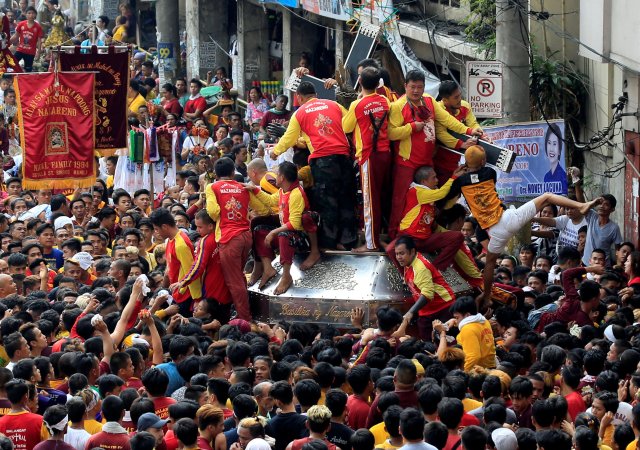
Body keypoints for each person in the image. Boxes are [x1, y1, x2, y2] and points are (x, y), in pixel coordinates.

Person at [442, 145, 596, 305]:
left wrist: (458, 174)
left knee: (489, 263)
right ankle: (581, 206)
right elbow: (483, 168)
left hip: (495, 233)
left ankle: (486, 296)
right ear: (483, 161)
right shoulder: (490, 173)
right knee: (547, 197)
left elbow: (453, 190)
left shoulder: (460, 181)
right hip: (508, 218)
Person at [388, 70, 483, 239]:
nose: (416, 91)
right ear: (405, 86)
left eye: (420, 87)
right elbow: (391, 133)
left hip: (427, 161)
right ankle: (396, 235)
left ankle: (426, 231)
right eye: (412, 87)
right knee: (400, 200)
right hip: (407, 162)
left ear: (424, 87)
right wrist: (411, 128)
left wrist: (469, 130)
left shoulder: (429, 101)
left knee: (432, 201)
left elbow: (447, 120)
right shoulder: (397, 106)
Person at [269, 81, 356, 251]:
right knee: (346, 198)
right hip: (344, 157)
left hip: (323, 161)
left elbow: (288, 138)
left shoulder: (300, 113)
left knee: (327, 201)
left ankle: (329, 244)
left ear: (298, 97)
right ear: (316, 95)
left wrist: (275, 152)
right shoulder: (334, 105)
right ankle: (348, 241)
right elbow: (349, 125)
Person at [342, 66, 394, 252]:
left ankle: (371, 244)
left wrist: (356, 101)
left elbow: (346, 126)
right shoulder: (384, 100)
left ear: (360, 82)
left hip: (368, 156)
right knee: (381, 197)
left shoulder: (358, 105)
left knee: (370, 202)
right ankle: (380, 236)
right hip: (385, 153)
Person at [206, 157, 264, 321]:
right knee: (238, 276)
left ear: (216, 174)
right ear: (233, 172)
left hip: (229, 238)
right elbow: (261, 207)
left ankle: (244, 318)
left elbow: (213, 212)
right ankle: (242, 311)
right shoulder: (243, 186)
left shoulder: (213, 187)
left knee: (234, 281)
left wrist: (223, 213)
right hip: (246, 236)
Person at [250, 161, 320, 294]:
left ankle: (286, 275)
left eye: (277, 174)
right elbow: (271, 200)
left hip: (300, 238)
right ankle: (267, 268)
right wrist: (253, 189)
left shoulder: (296, 193)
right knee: (259, 231)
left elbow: (294, 224)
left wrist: (274, 232)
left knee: (283, 235)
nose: (274, 176)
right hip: (286, 233)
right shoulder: (283, 190)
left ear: (282, 178)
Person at [394, 235, 455, 340]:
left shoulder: (420, 267)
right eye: (397, 254)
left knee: (444, 341)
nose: (399, 257)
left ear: (412, 251)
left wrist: (411, 312)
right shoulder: (408, 263)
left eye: (402, 253)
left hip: (442, 307)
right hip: (426, 310)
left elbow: (427, 294)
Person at [150, 208, 202, 316]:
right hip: (176, 292)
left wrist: (197, 299)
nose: (156, 232)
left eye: (156, 229)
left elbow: (191, 272)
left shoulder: (181, 245)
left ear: (164, 227)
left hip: (185, 296)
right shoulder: (170, 239)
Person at [434, 80, 484, 185]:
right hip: (439, 162)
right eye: (455, 98)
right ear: (445, 100)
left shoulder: (465, 106)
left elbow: (473, 124)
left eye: (459, 95)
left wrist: (482, 134)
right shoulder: (438, 109)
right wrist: (462, 144)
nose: (459, 99)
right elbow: (441, 134)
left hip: (457, 161)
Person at [581, 194, 623, 266]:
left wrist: (618, 265)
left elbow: (617, 249)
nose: (601, 206)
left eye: (606, 204)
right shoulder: (592, 216)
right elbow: (582, 209)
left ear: (612, 209)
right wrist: (593, 203)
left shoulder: (614, 228)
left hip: (603, 266)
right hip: (587, 262)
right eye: (600, 203)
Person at [10, 6, 42, 72]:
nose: (31, 15)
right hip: (20, 50)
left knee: (28, 69)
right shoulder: (21, 24)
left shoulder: (38, 27)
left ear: (35, 15)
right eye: (29, 13)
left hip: (31, 52)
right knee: (12, 64)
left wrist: (38, 53)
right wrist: (7, 42)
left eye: (33, 13)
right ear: (26, 14)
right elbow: (16, 36)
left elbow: (39, 41)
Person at [542, 123, 568, 195]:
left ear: (559, 149)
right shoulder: (546, 176)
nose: (551, 149)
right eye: (549, 143)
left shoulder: (563, 175)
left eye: (554, 144)